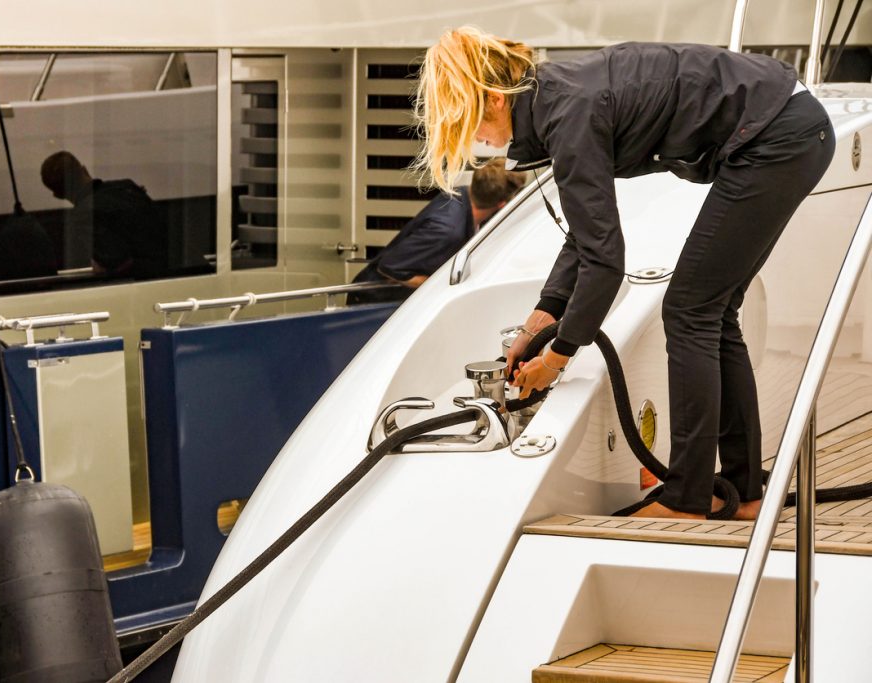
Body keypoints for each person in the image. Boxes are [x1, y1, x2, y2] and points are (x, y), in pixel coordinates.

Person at [416, 28, 835, 520]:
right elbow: (586, 237)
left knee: (689, 310)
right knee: (711, 311)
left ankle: (686, 499)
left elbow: (605, 262)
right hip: (787, 126)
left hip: (775, 136)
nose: (480, 145)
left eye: (471, 128)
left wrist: (557, 356)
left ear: (491, 99)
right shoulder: (560, 99)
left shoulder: (567, 113)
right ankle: (744, 492)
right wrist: (538, 324)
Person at [348, 158, 526, 304]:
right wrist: (437, 286)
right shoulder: (446, 231)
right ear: (502, 204)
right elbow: (389, 266)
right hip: (372, 300)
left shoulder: (461, 193)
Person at [40, 151, 170, 280]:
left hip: (139, 283)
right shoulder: (127, 186)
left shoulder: (82, 217)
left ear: (58, 195)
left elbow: (118, 263)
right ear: (84, 170)